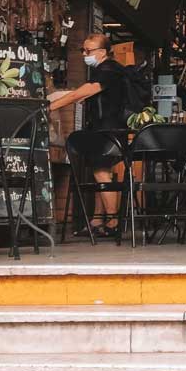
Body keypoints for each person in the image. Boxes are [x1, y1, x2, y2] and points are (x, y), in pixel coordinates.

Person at [48, 31, 136, 239]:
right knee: (101, 169)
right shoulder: (107, 69)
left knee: (100, 171)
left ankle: (113, 222)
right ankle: (97, 220)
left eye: (89, 51)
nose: (85, 54)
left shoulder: (109, 69)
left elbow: (84, 92)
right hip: (108, 129)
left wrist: (51, 106)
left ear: (103, 52)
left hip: (110, 130)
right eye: (83, 50)